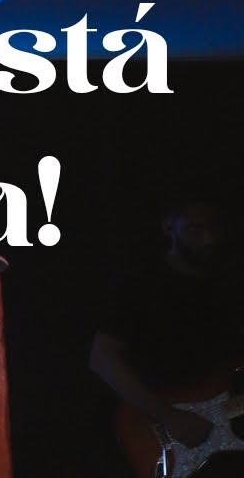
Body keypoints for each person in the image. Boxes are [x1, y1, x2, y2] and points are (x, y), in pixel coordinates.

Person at [89, 195, 244, 477]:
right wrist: (168, 416)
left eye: (215, 229)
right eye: (195, 229)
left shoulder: (228, 286)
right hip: (156, 426)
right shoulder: (141, 284)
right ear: (169, 227)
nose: (209, 240)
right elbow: (102, 357)